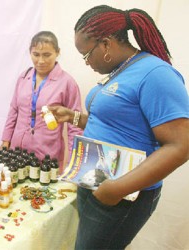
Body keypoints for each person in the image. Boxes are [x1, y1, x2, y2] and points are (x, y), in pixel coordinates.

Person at [48, 5, 189, 249]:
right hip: (99, 182)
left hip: (122, 194)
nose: (86, 62)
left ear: (106, 44)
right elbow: (114, 123)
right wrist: (72, 117)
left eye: (86, 54)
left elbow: (181, 145)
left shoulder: (156, 74)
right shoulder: (122, 70)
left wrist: (115, 189)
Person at [1, 31, 83, 171]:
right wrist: (5, 141)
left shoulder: (67, 83)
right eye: (36, 54)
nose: (41, 61)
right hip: (17, 153)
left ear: (57, 53)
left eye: (47, 55)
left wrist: (74, 162)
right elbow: (14, 110)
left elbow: (74, 126)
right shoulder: (24, 77)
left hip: (47, 156)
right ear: (30, 52)